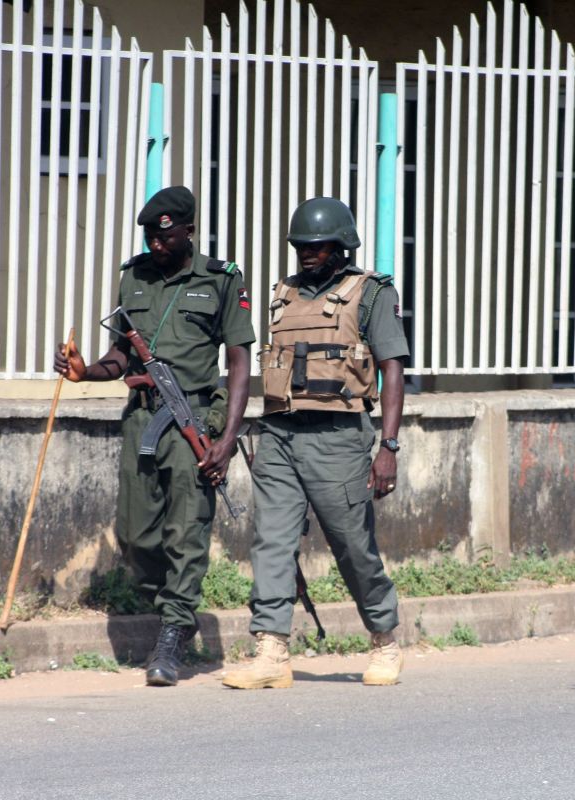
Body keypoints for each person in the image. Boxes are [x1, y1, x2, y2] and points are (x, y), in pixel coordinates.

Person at [53, 185, 255, 686]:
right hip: (143, 418)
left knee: (186, 531)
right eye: (150, 238)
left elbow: (238, 363)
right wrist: (86, 371)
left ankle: (175, 627)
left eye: (165, 237)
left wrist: (228, 438)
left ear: (189, 231)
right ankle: (171, 606)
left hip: (194, 419)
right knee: (135, 535)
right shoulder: (134, 277)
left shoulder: (221, 280)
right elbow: (121, 354)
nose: (156, 245)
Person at [222, 196, 408, 689]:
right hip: (279, 434)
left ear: (341, 246)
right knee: (272, 541)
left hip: (338, 437)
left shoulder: (371, 293)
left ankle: (384, 639)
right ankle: (271, 650)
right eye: (301, 245)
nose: (307, 253)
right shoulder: (282, 293)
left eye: (318, 246)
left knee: (353, 547)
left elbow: (392, 370)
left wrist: (388, 447)